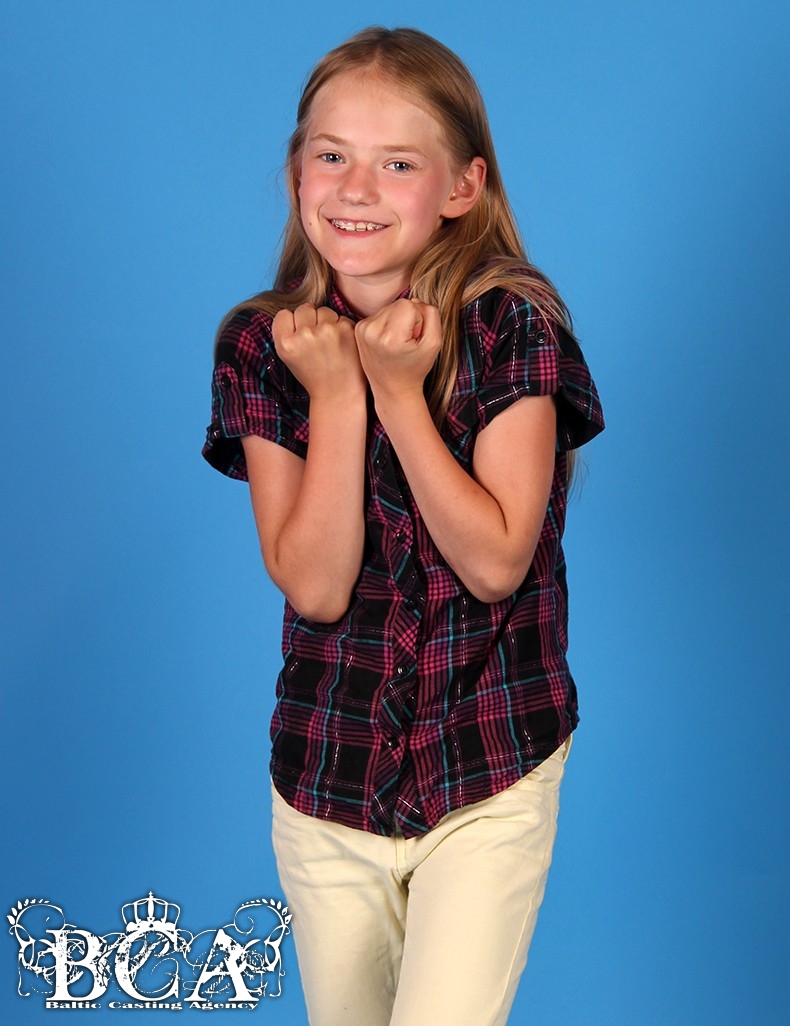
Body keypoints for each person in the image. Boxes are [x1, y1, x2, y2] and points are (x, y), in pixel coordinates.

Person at [203, 26, 604, 1026]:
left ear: (462, 187)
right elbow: (316, 586)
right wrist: (338, 395)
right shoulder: (262, 344)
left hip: (486, 770)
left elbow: (497, 561)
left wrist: (396, 392)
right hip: (326, 779)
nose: (356, 188)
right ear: (297, 170)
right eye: (331, 155)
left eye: (397, 164)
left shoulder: (511, 323)